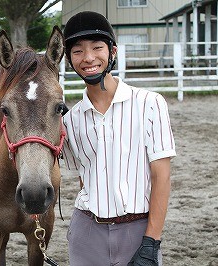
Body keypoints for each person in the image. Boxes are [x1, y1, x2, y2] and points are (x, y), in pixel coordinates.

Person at [61, 11, 176, 266]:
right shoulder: (70, 120)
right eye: (77, 51)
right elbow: (84, 176)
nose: (88, 58)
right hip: (86, 232)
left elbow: (162, 177)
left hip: (138, 231)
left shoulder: (150, 104)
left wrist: (151, 241)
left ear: (112, 52)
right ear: (69, 59)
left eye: (97, 47)